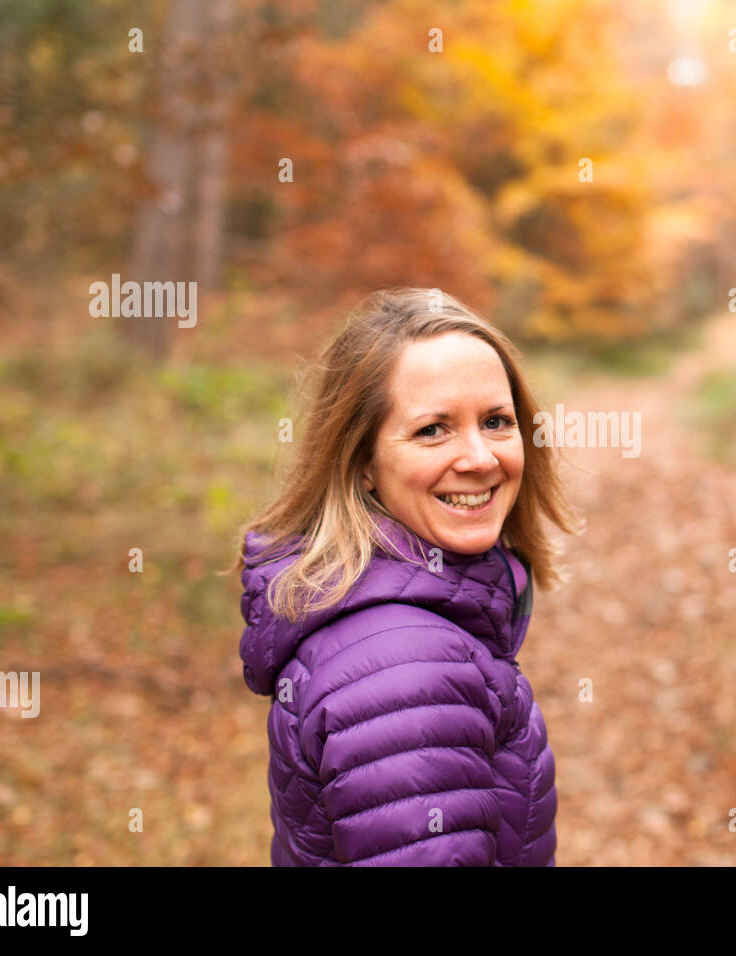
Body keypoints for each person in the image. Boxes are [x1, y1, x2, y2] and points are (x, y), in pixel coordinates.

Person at [235, 287, 581, 865]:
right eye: (432, 430)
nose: (479, 458)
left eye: (496, 421)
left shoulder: (394, 620)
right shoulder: (407, 665)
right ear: (363, 462)